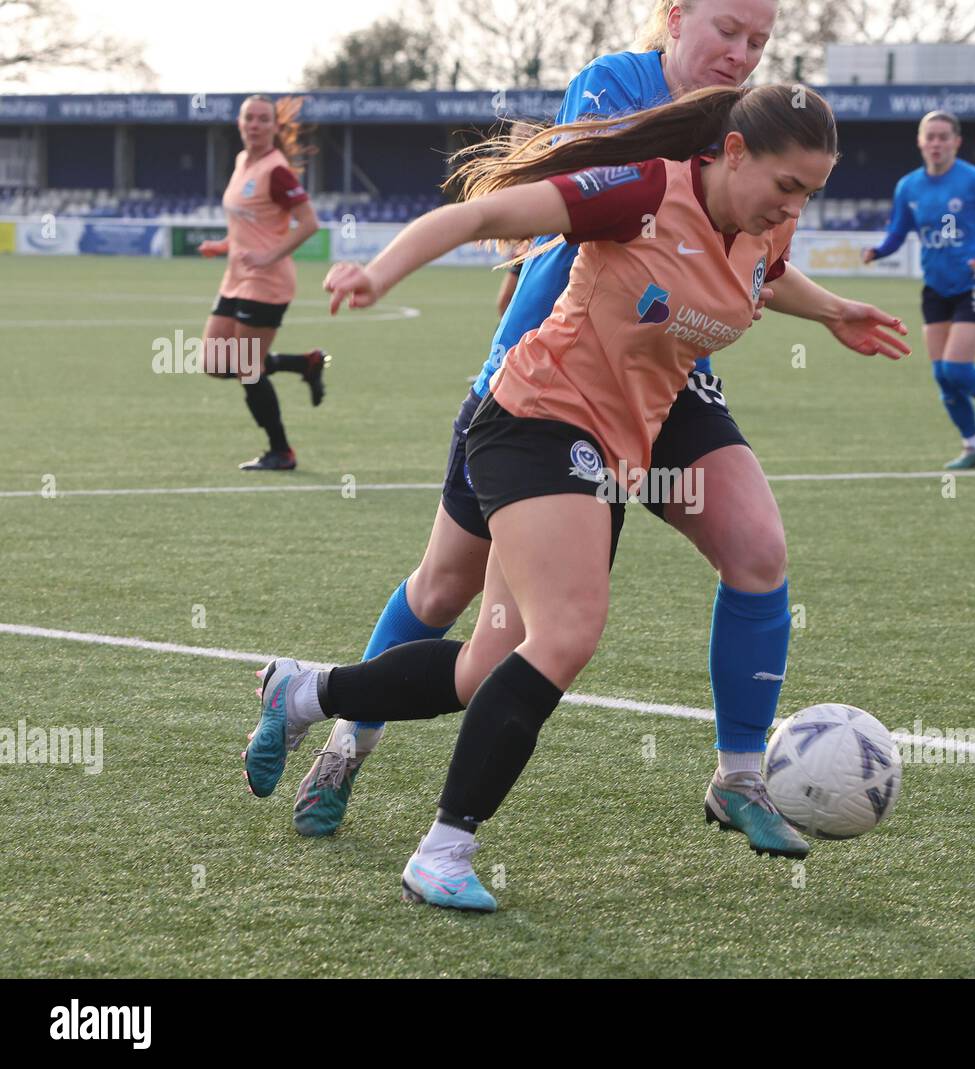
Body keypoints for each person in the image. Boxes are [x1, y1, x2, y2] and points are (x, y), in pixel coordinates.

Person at [242, 84, 910, 912]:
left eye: (811, 190)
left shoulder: (767, 224)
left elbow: (764, 274)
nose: (795, 206)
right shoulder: (641, 191)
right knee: (569, 629)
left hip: (608, 454)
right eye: (787, 185)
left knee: (481, 666)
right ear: (733, 154)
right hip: (534, 422)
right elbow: (482, 219)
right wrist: (378, 273)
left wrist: (835, 309)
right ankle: (444, 850)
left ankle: (304, 691)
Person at [292, 1, 833, 854]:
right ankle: (341, 739)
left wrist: (836, 311)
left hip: (665, 380)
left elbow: (760, 266)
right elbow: (580, 204)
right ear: (675, 18)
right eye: (728, 31)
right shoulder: (623, 88)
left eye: (759, 42)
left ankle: (738, 776)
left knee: (759, 549)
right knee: (445, 595)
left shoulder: (762, 147)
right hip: (545, 381)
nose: (742, 54)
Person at [862, 110, 975, 469]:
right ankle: (974, 448)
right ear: (920, 142)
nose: (936, 143)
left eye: (943, 137)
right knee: (942, 376)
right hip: (935, 287)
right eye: (929, 137)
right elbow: (899, 232)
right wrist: (878, 251)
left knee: (957, 369)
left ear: (956, 142)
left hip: (973, 285)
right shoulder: (909, 186)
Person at [199, 94, 330, 472]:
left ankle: (282, 452)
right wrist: (223, 245)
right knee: (213, 361)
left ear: (274, 127)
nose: (254, 125)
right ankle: (305, 363)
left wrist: (268, 257)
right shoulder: (242, 162)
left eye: (262, 119)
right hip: (236, 276)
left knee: (246, 368)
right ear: (239, 124)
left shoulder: (277, 171)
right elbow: (251, 225)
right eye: (248, 118)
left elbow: (309, 223)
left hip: (268, 282)